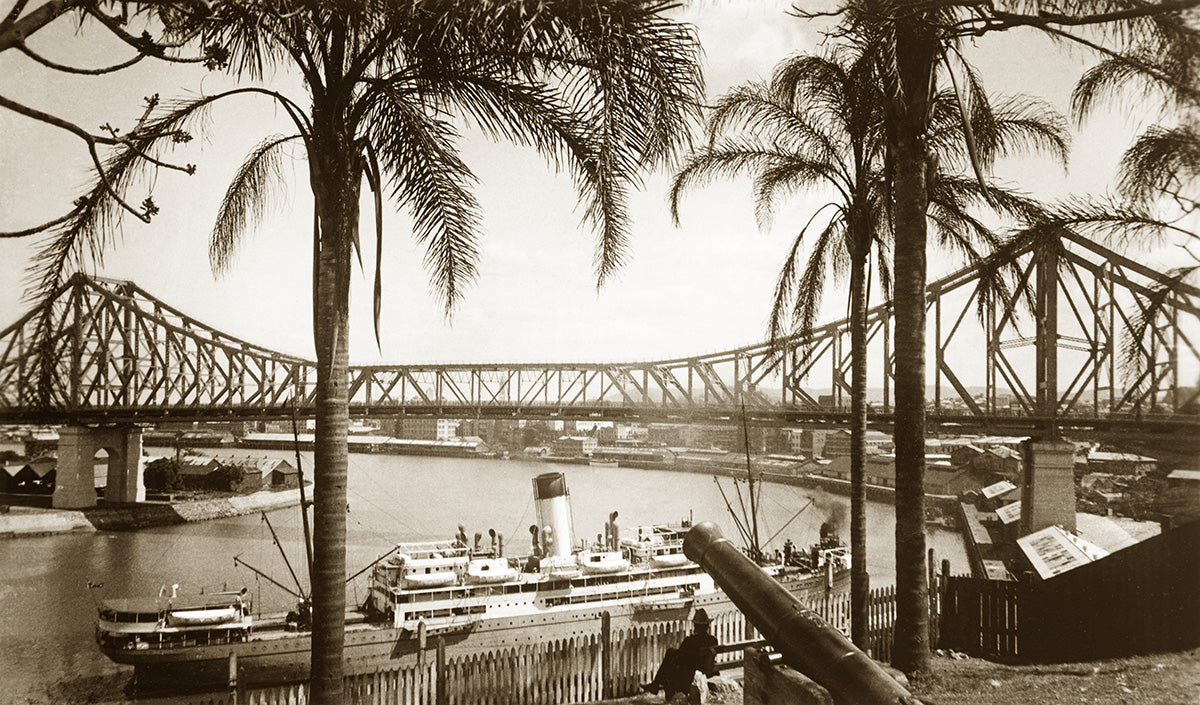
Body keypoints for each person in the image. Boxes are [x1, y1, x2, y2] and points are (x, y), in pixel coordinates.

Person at [641, 609, 719, 700]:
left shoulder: (690, 640)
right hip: (706, 669)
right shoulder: (713, 640)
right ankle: (655, 684)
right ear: (707, 626)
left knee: (670, 653)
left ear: (696, 626)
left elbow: (679, 656)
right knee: (672, 654)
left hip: (688, 672)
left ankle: (656, 684)